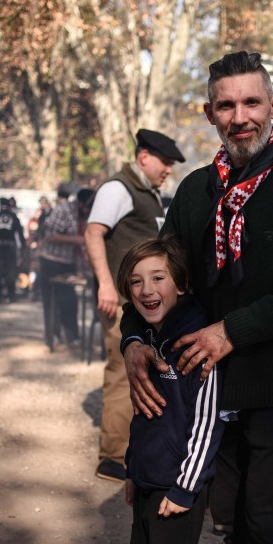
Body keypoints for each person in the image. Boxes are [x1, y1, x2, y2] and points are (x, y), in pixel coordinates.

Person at [121, 51, 273, 544]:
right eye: (226, 105)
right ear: (209, 113)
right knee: (226, 525)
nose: (240, 116)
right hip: (203, 395)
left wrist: (231, 331)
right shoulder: (195, 191)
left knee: (269, 533)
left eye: (252, 102)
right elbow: (155, 280)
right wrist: (132, 340)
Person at [117, 237, 224, 544]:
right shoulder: (147, 340)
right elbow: (143, 413)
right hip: (148, 478)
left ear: (181, 283)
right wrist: (133, 469)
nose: (147, 289)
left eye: (158, 277)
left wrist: (185, 488)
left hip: (177, 487)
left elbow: (207, 424)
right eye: (136, 281)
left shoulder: (198, 344)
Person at [84, 128, 185, 483]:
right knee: (120, 373)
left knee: (143, 374)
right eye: (165, 163)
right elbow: (93, 232)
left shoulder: (150, 193)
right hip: (121, 302)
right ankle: (112, 458)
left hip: (143, 304)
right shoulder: (117, 189)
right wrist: (107, 285)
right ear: (144, 157)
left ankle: (135, 452)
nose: (168, 170)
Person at [38, 186, 93, 349]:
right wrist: (75, 240)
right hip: (50, 261)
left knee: (69, 300)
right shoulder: (63, 210)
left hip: (69, 263)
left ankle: (72, 336)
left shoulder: (85, 215)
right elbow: (50, 235)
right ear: (80, 203)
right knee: (51, 301)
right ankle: (53, 336)